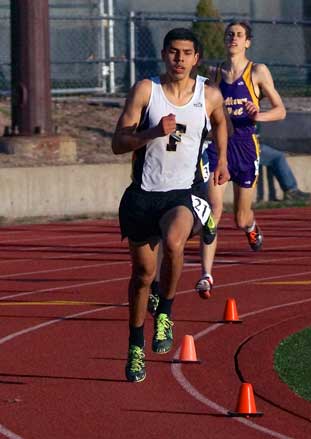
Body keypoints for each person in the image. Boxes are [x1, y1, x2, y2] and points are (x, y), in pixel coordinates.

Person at [112, 28, 229, 382]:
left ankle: (165, 311)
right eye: (173, 52)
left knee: (176, 241)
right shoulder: (147, 91)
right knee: (143, 276)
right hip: (143, 195)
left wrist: (221, 158)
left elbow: (221, 121)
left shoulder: (208, 95)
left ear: (197, 58)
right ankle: (135, 346)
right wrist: (151, 133)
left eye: (186, 53)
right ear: (164, 55)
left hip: (183, 193)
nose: (179, 59)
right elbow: (118, 143)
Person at [195, 21, 286, 298]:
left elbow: (281, 110)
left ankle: (250, 226)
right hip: (217, 146)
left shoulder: (257, 72)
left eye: (239, 35)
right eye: (229, 34)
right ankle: (206, 275)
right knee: (213, 208)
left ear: (247, 42)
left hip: (246, 148)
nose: (233, 38)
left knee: (239, 218)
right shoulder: (214, 73)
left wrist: (259, 114)